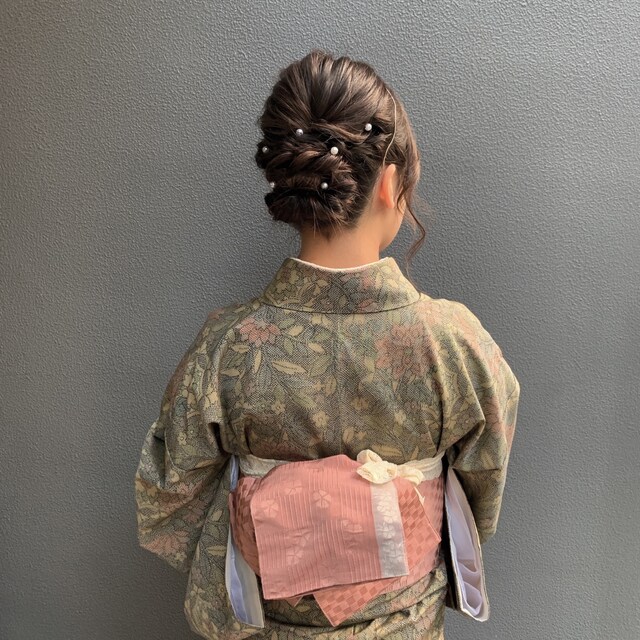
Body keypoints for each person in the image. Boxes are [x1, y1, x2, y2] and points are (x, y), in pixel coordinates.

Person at [134, 49, 521, 640]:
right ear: (390, 183)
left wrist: (270, 527)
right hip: (405, 624)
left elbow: (168, 504)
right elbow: (482, 487)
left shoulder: (228, 345)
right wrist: (392, 524)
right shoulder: (454, 343)